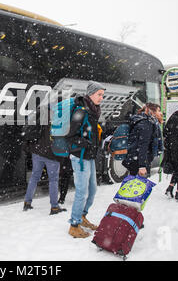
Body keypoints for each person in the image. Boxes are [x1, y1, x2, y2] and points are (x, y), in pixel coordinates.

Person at [66, 81, 105, 238]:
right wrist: (85, 143)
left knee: (93, 190)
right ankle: (74, 225)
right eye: (99, 94)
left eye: (103, 95)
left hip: (90, 156)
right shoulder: (81, 111)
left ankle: (82, 216)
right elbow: (70, 136)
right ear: (91, 94)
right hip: (80, 157)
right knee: (81, 191)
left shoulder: (94, 111)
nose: (101, 98)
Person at [22, 122, 67, 215]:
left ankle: (27, 202)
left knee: (34, 177)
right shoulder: (58, 116)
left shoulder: (41, 114)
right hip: (51, 154)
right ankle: (54, 206)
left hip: (37, 151)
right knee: (53, 180)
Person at [122, 102, 163, 178]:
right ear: (152, 112)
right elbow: (143, 145)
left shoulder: (146, 121)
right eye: (158, 110)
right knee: (138, 186)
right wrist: (142, 166)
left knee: (135, 185)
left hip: (136, 158)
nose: (160, 113)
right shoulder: (146, 124)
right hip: (139, 160)